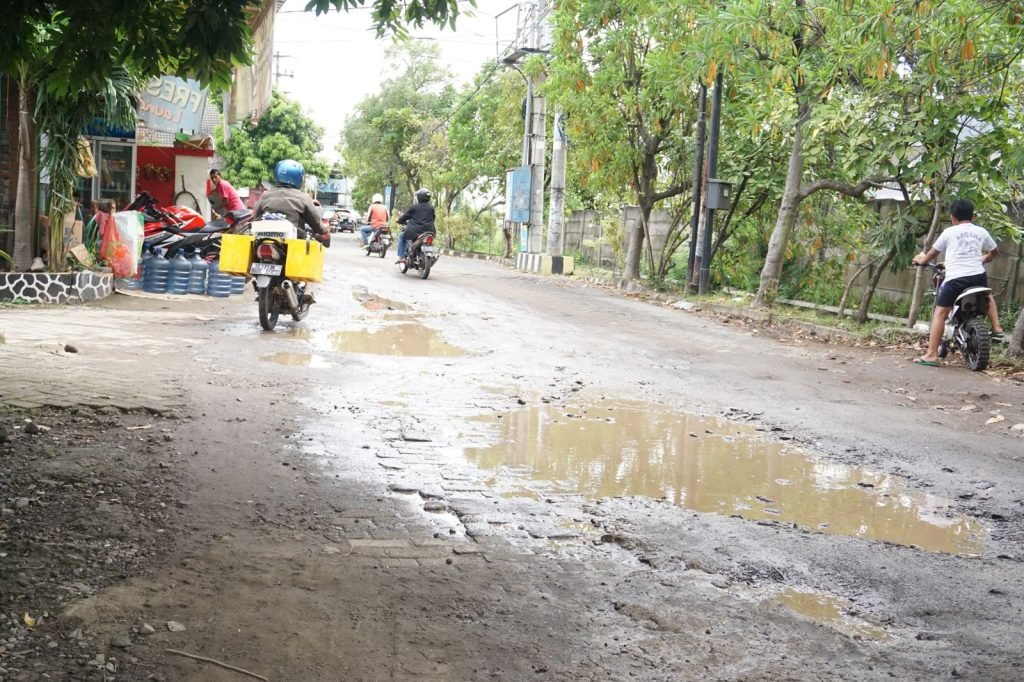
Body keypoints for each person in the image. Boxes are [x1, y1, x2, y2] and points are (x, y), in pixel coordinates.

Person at [912, 198, 1005, 366]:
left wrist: (921, 259)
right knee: (987, 294)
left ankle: (931, 355)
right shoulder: (981, 231)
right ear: (973, 216)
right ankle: (997, 328)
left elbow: (932, 254)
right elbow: (994, 251)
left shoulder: (949, 232)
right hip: (978, 275)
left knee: (940, 313)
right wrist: (984, 258)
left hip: (955, 278)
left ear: (952, 217)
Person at [254, 159, 329, 245]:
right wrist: (324, 231)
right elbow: (316, 223)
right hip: (294, 243)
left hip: (262, 241)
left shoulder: (265, 195)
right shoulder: (304, 198)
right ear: (299, 177)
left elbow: (255, 217)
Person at [395, 188, 435, 264]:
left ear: (419, 197)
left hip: (415, 232)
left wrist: (399, 221)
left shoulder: (415, 207)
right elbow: (433, 219)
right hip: (429, 231)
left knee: (401, 236)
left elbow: (405, 216)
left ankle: (402, 257)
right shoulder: (431, 208)